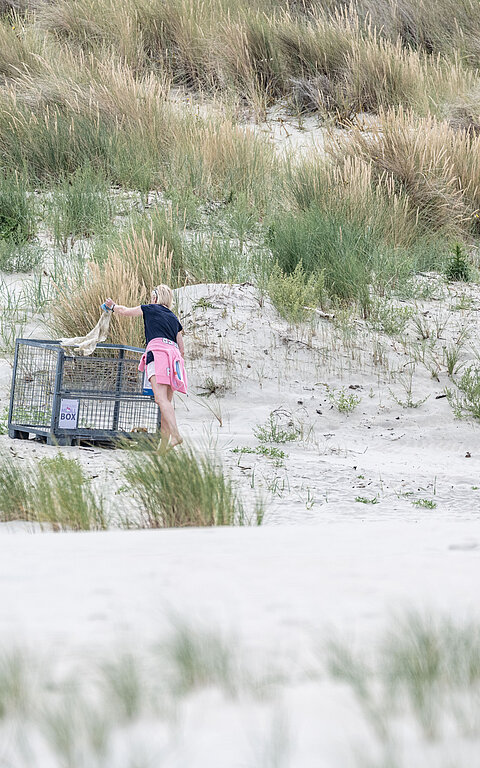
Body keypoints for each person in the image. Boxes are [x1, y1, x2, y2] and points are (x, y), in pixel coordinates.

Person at [103, 285, 187, 452]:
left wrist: (112, 306)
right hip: (174, 359)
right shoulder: (174, 318)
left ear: (155, 298)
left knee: (160, 400)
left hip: (158, 355)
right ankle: (162, 449)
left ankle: (176, 435)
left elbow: (125, 311)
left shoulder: (150, 308)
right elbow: (182, 348)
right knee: (166, 404)